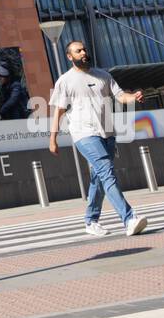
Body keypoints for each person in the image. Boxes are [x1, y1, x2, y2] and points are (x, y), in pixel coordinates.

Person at [49, 38, 147, 237]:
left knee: (99, 177)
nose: (83, 53)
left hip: (108, 134)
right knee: (107, 172)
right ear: (70, 57)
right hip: (84, 134)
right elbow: (58, 112)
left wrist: (133, 97)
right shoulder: (65, 81)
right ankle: (129, 219)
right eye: (78, 51)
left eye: (84, 49)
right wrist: (53, 138)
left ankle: (91, 220)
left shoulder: (103, 76)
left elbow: (121, 96)